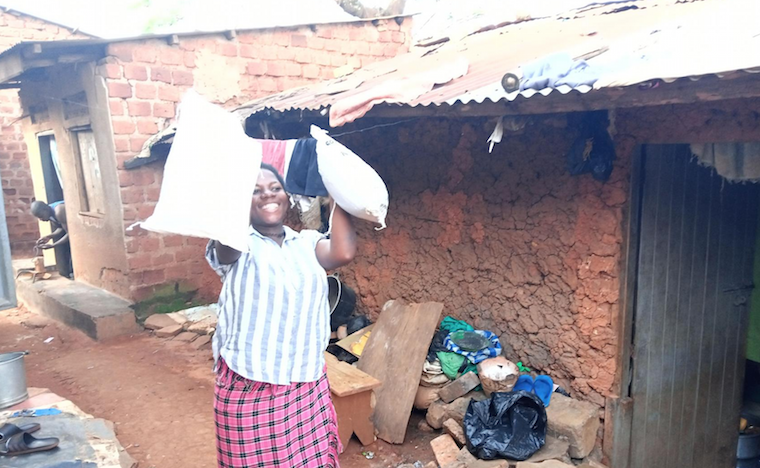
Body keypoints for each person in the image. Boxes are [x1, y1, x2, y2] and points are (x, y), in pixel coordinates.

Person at [206, 163, 357, 468]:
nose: (267, 195)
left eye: (274, 188)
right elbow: (226, 248)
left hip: (304, 381)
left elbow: (343, 253)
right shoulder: (236, 244)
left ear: (286, 196)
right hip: (248, 382)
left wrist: (340, 194)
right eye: (255, 191)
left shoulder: (307, 244)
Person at [31, 200, 72, 279]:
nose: (41, 219)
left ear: (45, 210)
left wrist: (53, 245)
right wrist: (49, 236)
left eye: (41, 216)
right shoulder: (50, 214)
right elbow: (61, 228)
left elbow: (70, 234)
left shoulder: (59, 211)